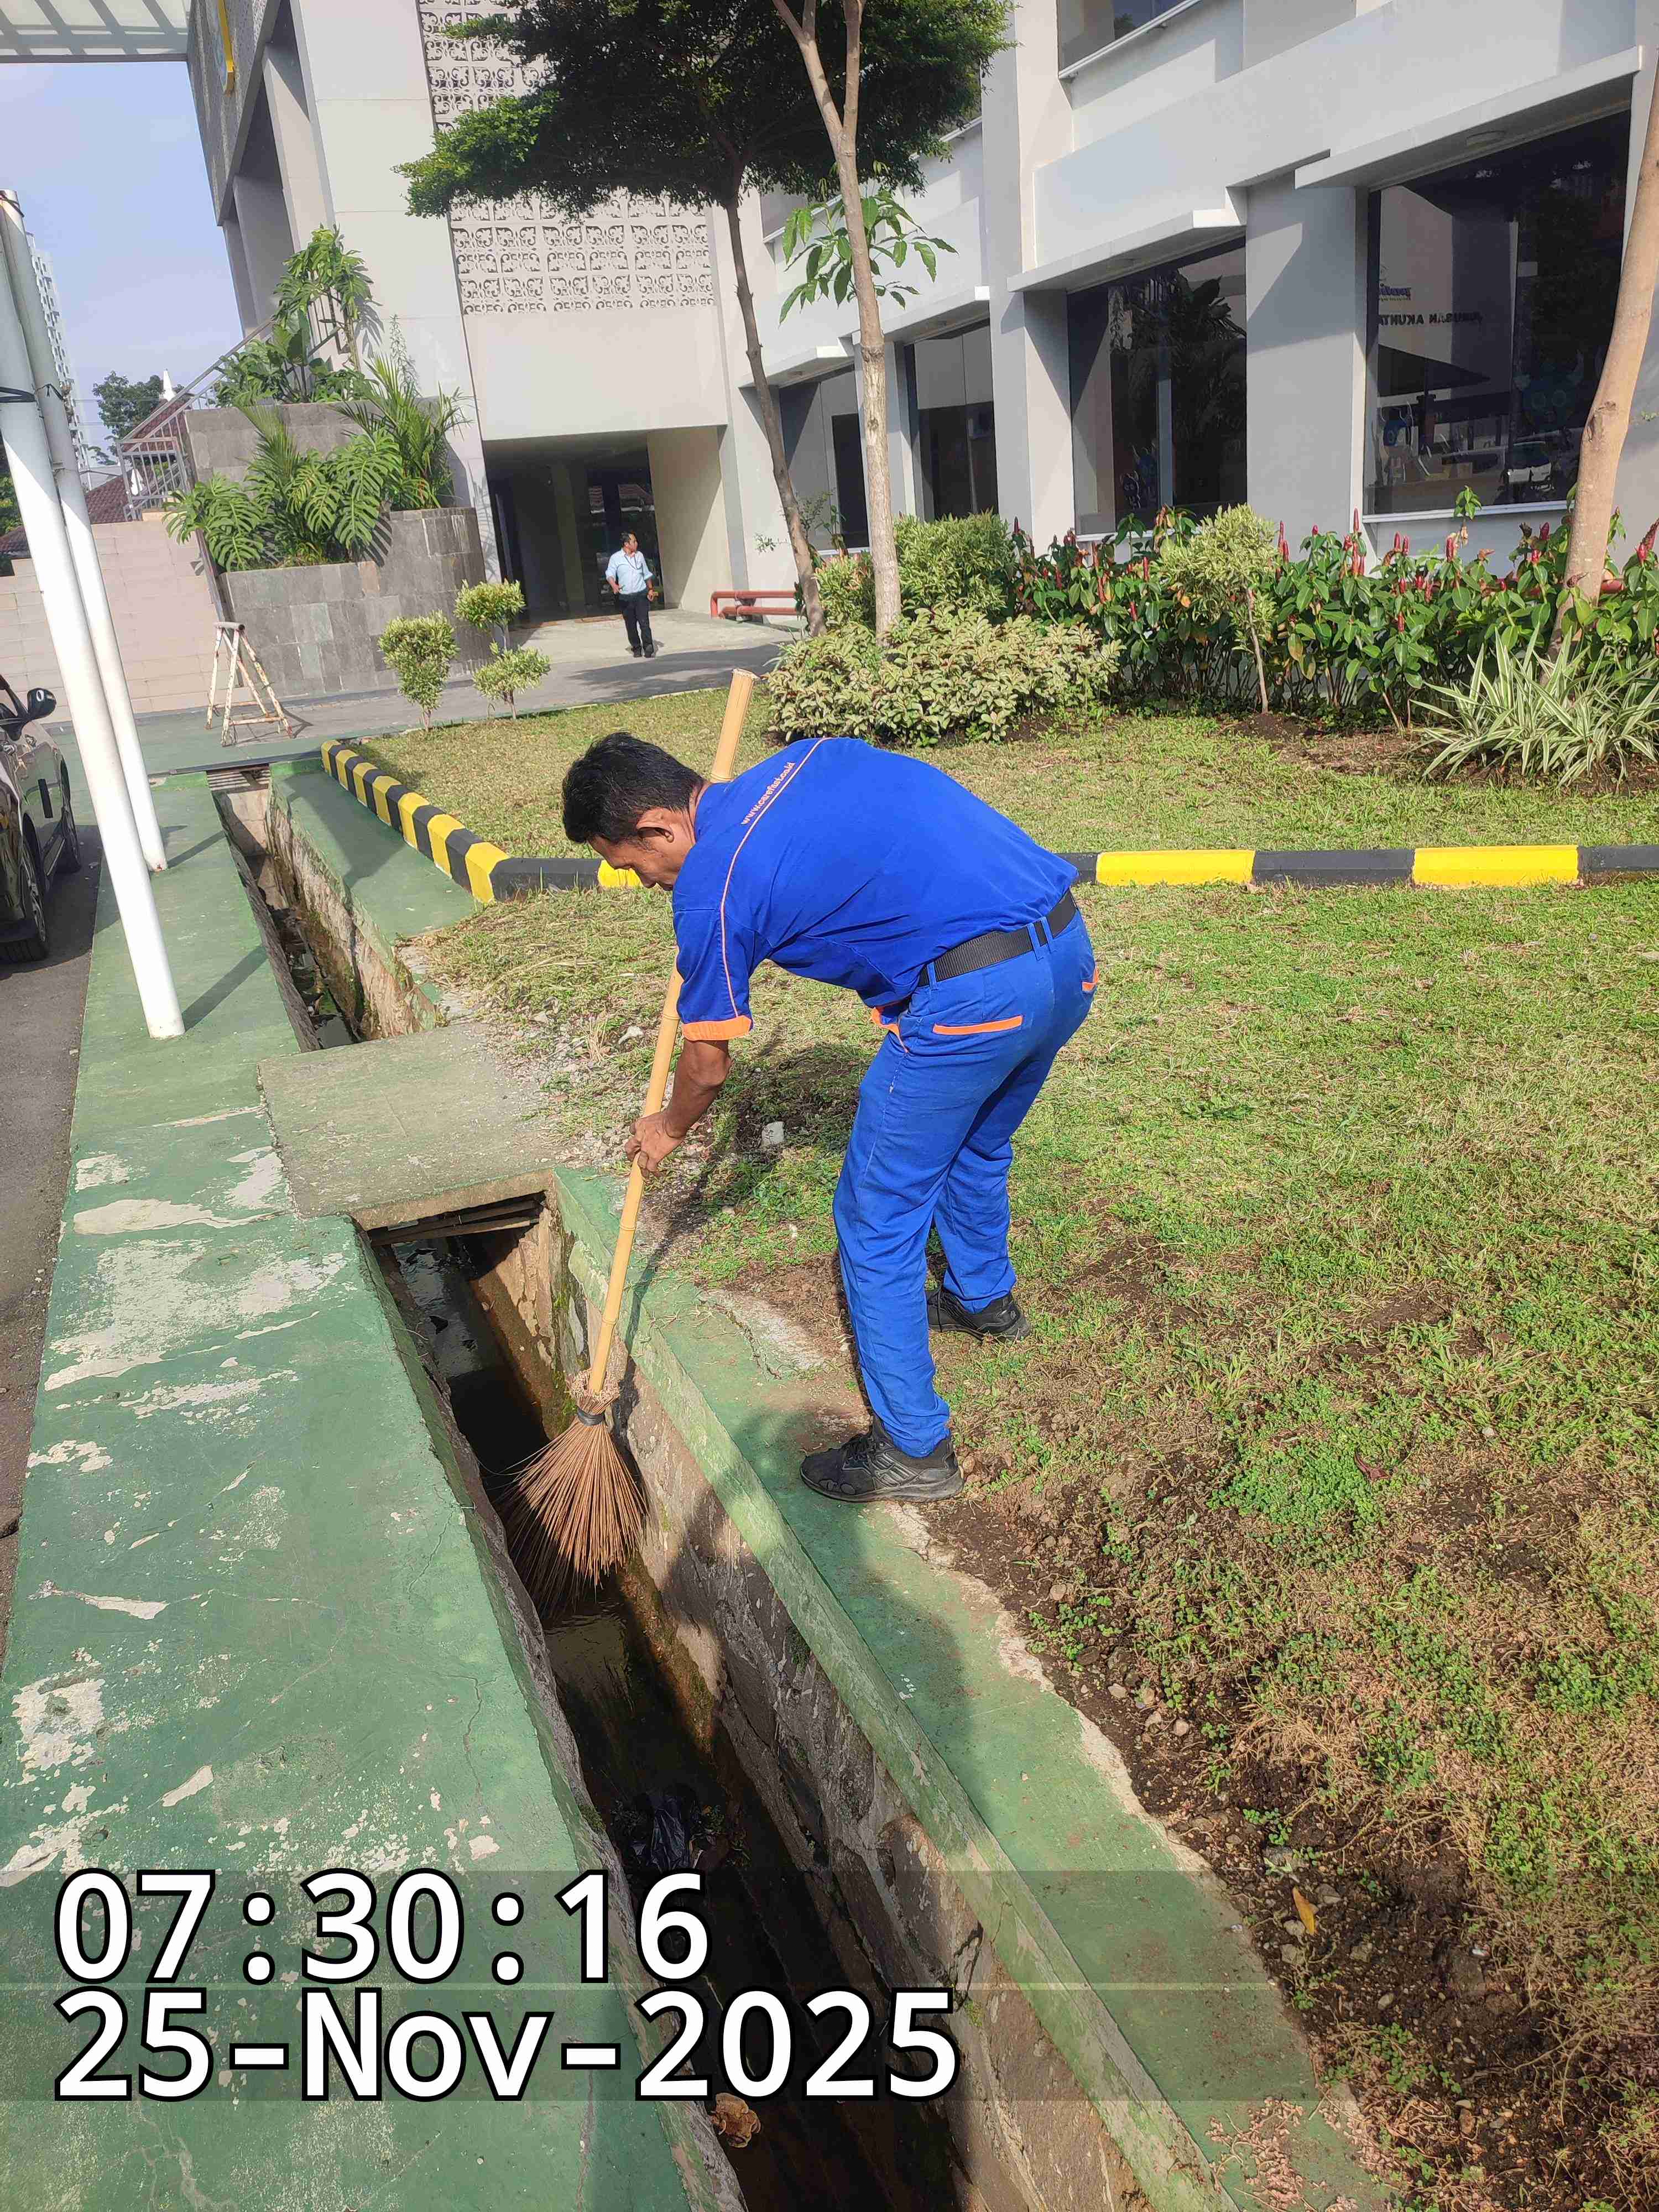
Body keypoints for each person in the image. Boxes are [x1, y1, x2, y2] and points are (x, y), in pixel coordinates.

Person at [560, 732, 1097, 1506]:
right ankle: (984, 1301)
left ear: (657, 827)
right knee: (976, 1146)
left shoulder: (710, 885)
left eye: (630, 865)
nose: (643, 882)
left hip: (973, 1001)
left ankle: (913, 1451)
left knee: (879, 1218)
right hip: (1067, 955)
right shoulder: (810, 757)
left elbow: (707, 1066)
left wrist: (667, 1128)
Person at [604, 531, 658, 659]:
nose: (636, 543)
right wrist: (614, 585)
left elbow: (646, 574)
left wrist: (650, 590)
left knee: (644, 623)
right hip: (626, 598)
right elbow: (610, 574)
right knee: (631, 625)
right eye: (634, 541)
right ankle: (636, 647)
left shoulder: (639, 556)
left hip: (641, 595)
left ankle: (648, 646)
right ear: (627, 544)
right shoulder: (616, 558)